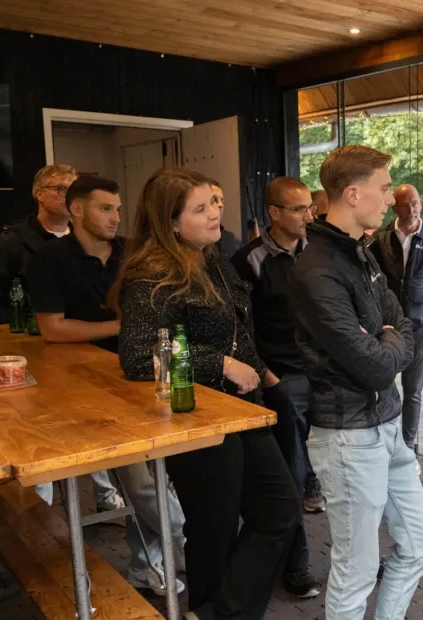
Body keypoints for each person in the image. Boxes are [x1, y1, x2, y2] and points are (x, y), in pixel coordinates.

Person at [115, 167, 299, 620]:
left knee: (278, 510)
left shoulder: (210, 257)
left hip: (241, 408)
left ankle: (214, 614)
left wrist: (264, 375)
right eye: (200, 208)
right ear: (171, 221)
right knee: (214, 529)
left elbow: (236, 330)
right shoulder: (152, 273)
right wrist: (219, 363)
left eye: (213, 203)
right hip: (194, 415)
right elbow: (137, 355)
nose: (216, 212)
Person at [291, 145, 423, 620]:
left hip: (386, 425)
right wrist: (386, 340)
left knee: (420, 542)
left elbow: (403, 323)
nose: (391, 199)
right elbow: (374, 365)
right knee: (355, 571)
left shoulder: (360, 252)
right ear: (353, 194)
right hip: (348, 438)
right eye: (384, 188)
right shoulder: (317, 268)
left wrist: (384, 336)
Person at [26, 174, 186, 596]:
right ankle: (181, 546)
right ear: (77, 210)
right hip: (84, 386)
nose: (116, 217)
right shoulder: (48, 259)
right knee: (143, 483)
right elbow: (53, 329)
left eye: (117, 208)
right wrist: (122, 326)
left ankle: (148, 564)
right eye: (105, 208)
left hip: (143, 374)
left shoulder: (135, 253)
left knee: (155, 478)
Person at [0, 162, 123, 513]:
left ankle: (105, 496)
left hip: (108, 360)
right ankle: (39, 517)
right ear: (39, 194)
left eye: (70, 188)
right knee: (47, 436)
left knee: (110, 439)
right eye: (59, 189)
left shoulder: (121, 250)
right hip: (43, 353)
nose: (115, 218)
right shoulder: (17, 242)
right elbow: (1, 300)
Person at [231, 176, 323, 599]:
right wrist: (271, 380)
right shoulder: (247, 262)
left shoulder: (318, 251)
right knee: (291, 475)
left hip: (325, 377)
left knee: (342, 469)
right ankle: (296, 566)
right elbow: (240, 331)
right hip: (283, 382)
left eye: (310, 208)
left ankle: (356, 558)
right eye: (300, 209)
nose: (309, 216)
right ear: (274, 213)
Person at [369, 184, 423, 454]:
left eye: (415, 202)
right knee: (384, 386)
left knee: (413, 391)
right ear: (394, 206)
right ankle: (387, 443)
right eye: (405, 204)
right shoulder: (380, 238)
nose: (412, 209)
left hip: (420, 325)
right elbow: (371, 281)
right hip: (388, 326)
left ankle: (409, 445)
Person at [0, 163, 76, 323]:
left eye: (74, 191)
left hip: (82, 329)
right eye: (61, 189)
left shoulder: (85, 240)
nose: (70, 197)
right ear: (39, 194)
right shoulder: (12, 241)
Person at [210, 181, 242, 258]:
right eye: (214, 200)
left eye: (222, 200)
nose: (220, 205)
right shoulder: (194, 242)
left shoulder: (233, 241)